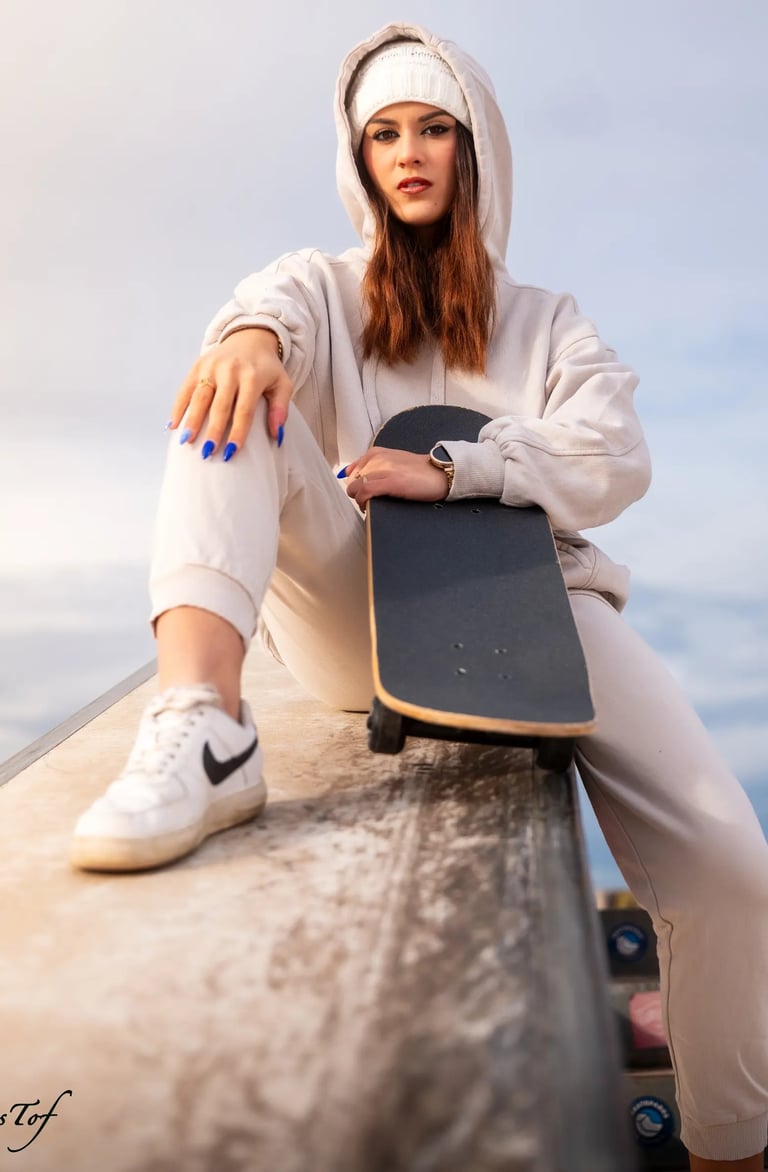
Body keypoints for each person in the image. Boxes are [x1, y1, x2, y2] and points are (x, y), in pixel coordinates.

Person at [69, 23, 767, 1170]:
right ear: (360, 156)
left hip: (535, 602)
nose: (408, 152)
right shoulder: (319, 285)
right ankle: (203, 723)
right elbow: (268, 310)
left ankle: (730, 1148)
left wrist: (459, 467)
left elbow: (613, 453)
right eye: (384, 133)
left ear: (474, 146)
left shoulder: (548, 319)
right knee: (230, 394)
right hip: (364, 602)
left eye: (434, 128)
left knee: (733, 864)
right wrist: (250, 337)